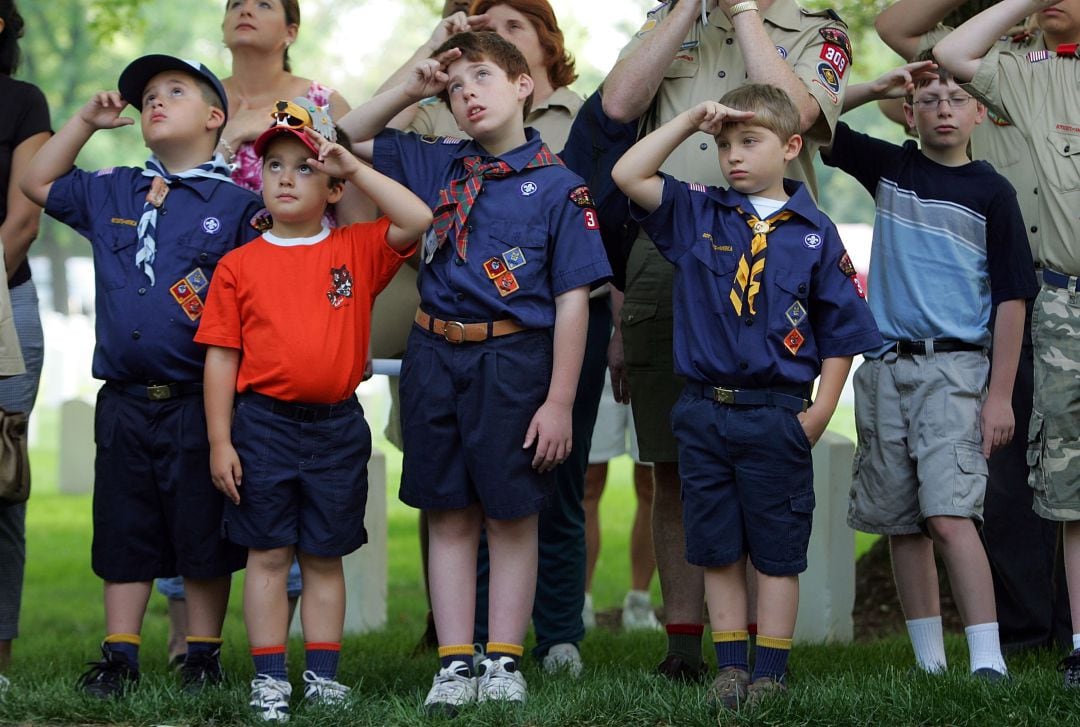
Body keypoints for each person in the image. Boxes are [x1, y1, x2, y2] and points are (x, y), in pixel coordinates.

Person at [339, 30, 611, 712]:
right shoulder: (439, 166)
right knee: (448, 512)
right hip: (434, 354)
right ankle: (455, 663)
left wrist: (558, 399)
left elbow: (573, 303)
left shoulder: (560, 187)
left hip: (513, 360)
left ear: (524, 86)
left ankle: (504, 660)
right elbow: (342, 136)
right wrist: (413, 86)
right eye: (457, 88)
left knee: (512, 517)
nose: (467, 95)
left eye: (482, 78)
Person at [602, 0, 851, 680]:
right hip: (677, 240)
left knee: (766, 504)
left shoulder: (818, 28)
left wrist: (742, 13)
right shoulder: (671, 17)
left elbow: (796, 114)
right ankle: (687, 647)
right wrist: (688, 10)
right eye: (727, 142)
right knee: (673, 460)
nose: (732, 150)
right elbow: (621, 105)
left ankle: (759, 662)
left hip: (779, 271)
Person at [20, 54, 263, 697]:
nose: (155, 101)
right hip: (125, 400)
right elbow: (38, 181)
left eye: (174, 91)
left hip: (198, 400)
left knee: (203, 531)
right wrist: (83, 123)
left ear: (215, 117)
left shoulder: (239, 206)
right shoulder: (116, 188)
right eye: (148, 95)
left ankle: (203, 656)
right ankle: (120, 654)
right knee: (124, 525)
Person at [196, 106, 430, 722]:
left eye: (304, 167)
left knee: (325, 555)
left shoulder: (355, 249)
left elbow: (418, 218)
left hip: (335, 427)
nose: (286, 177)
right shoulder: (239, 264)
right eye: (274, 165)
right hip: (262, 426)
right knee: (268, 555)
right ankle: (270, 679)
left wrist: (352, 162)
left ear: (332, 187)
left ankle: (323, 678)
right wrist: (221, 441)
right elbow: (221, 359)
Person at [822, 60, 1038, 680]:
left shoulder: (992, 192)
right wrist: (878, 86)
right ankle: (929, 666)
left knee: (949, 513)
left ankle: (987, 661)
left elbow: (1012, 299)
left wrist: (1000, 397)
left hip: (956, 371)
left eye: (956, 98)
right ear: (911, 113)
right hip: (886, 368)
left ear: (980, 114)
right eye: (929, 99)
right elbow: (806, 120)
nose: (943, 108)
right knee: (900, 519)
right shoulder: (893, 168)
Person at [156, 0, 352, 667]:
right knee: (197, 477)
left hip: (302, 291)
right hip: (212, 299)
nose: (245, 9)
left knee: (303, 535)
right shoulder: (197, 97)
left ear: (291, 29)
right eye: (236, 1)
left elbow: (352, 177)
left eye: (264, 2)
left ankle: (302, 658)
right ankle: (193, 641)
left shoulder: (318, 100)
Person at [874, 0, 1071, 654]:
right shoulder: (987, 57)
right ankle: (1022, 634)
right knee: (1007, 471)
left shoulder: (1058, 74)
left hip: (1059, 280)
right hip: (1002, 292)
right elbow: (895, 29)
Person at [934, 0, 1080, 687]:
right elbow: (954, 55)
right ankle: (1073, 640)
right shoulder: (1040, 71)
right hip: (1066, 304)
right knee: (1067, 485)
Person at [0, 0, 49, 691]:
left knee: (1, 485)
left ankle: (0, 660)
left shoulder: (23, 101)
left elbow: (23, 219)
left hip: (3, 299)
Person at [582, 360, 660, 631]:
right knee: (588, 481)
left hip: (653, 355)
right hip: (600, 358)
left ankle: (639, 601)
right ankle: (580, 601)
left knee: (652, 481)